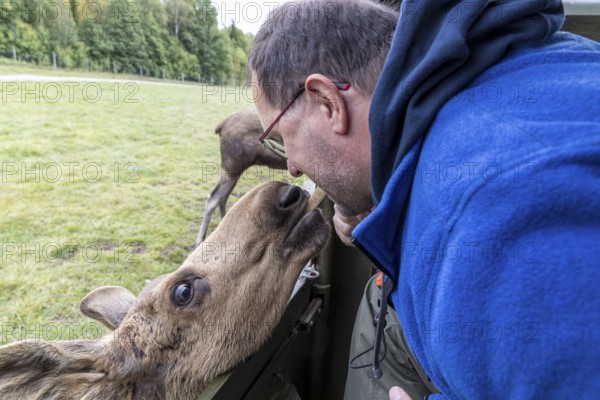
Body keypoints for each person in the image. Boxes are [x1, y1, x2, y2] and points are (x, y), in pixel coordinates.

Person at [249, 0, 600, 399]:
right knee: (380, 301)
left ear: (328, 102)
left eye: (279, 138)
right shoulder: (519, 67)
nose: (291, 167)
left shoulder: (491, 226)